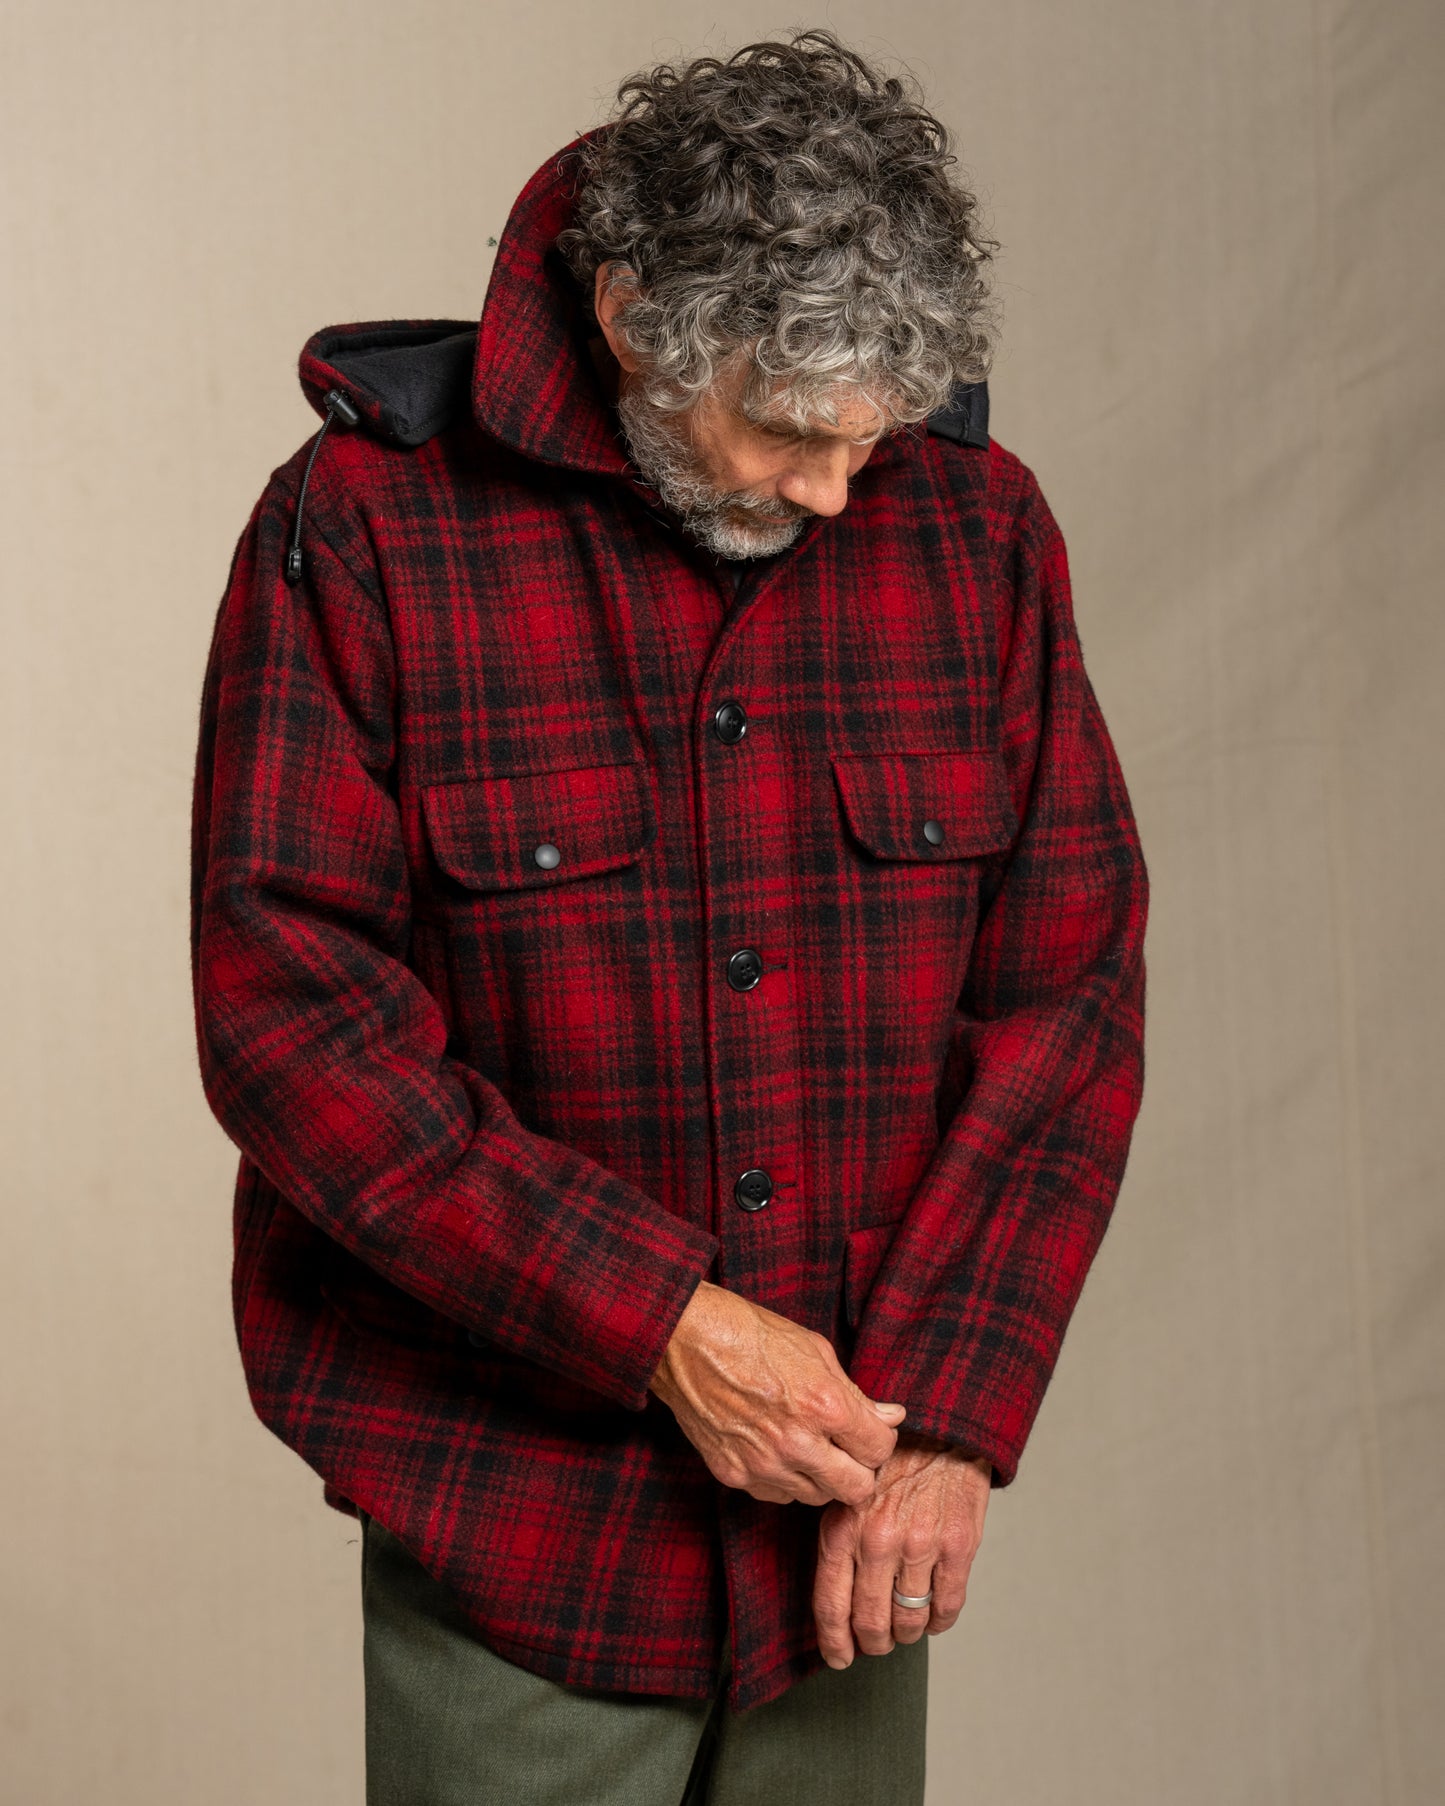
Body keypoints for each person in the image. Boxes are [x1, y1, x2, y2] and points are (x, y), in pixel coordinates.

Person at [190, 29, 1148, 1805]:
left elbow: (1067, 997)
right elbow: (291, 1019)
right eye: (787, 432)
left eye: (868, 437)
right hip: (515, 1519)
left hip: (851, 1528)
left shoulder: (980, 535)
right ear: (635, 321)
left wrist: (948, 1422)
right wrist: (657, 1322)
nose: (836, 491)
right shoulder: (368, 530)